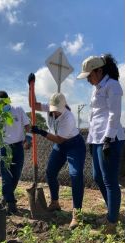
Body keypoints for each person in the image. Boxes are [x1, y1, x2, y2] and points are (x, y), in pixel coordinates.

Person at [28, 73, 86, 230]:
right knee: (50, 172)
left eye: (57, 111)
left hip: (73, 144)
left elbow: (59, 139)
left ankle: (77, 214)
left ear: (63, 107)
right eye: (52, 110)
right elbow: (33, 105)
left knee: (75, 176)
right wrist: (31, 86)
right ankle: (55, 202)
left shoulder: (68, 118)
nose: (53, 113)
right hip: (60, 145)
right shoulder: (50, 108)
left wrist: (40, 132)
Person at [76, 54, 125, 233]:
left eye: (90, 75)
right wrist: (92, 139)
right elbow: (95, 116)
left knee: (110, 181)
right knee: (98, 177)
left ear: (99, 70)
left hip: (109, 139)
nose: (88, 79)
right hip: (97, 138)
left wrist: (107, 139)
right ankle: (112, 212)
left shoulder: (112, 85)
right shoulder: (97, 87)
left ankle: (111, 224)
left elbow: (114, 114)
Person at [0, 90, 30, 215]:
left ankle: (6, 197)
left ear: (8, 100)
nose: (1, 105)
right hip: (4, 148)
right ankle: (10, 203)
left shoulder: (18, 110)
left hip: (18, 147)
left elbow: (27, 125)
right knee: (6, 175)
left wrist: (28, 138)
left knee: (16, 174)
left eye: (3, 102)